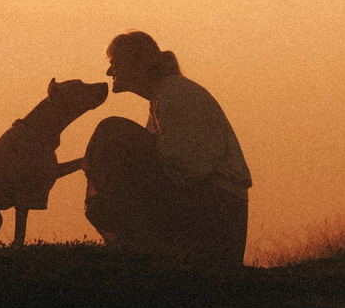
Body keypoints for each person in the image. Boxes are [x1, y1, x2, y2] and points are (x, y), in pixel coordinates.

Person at [81, 31, 251, 267]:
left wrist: (129, 156)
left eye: (114, 63)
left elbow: (192, 165)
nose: (109, 72)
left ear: (137, 63)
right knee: (109, 147)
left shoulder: (176, 93)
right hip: (211, 213)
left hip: (215, 218)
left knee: (111, 131)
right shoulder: (164, 97)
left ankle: (128, 237)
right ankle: (128, 239)